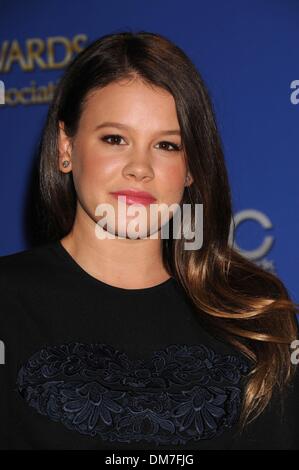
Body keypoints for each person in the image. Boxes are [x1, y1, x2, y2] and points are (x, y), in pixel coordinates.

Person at [0, 30, 298, 450]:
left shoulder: (256, 318)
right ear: (66, 147)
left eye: (166, 145)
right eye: (115, 139)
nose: (139, 167)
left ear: (191, 167)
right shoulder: (7, 301)